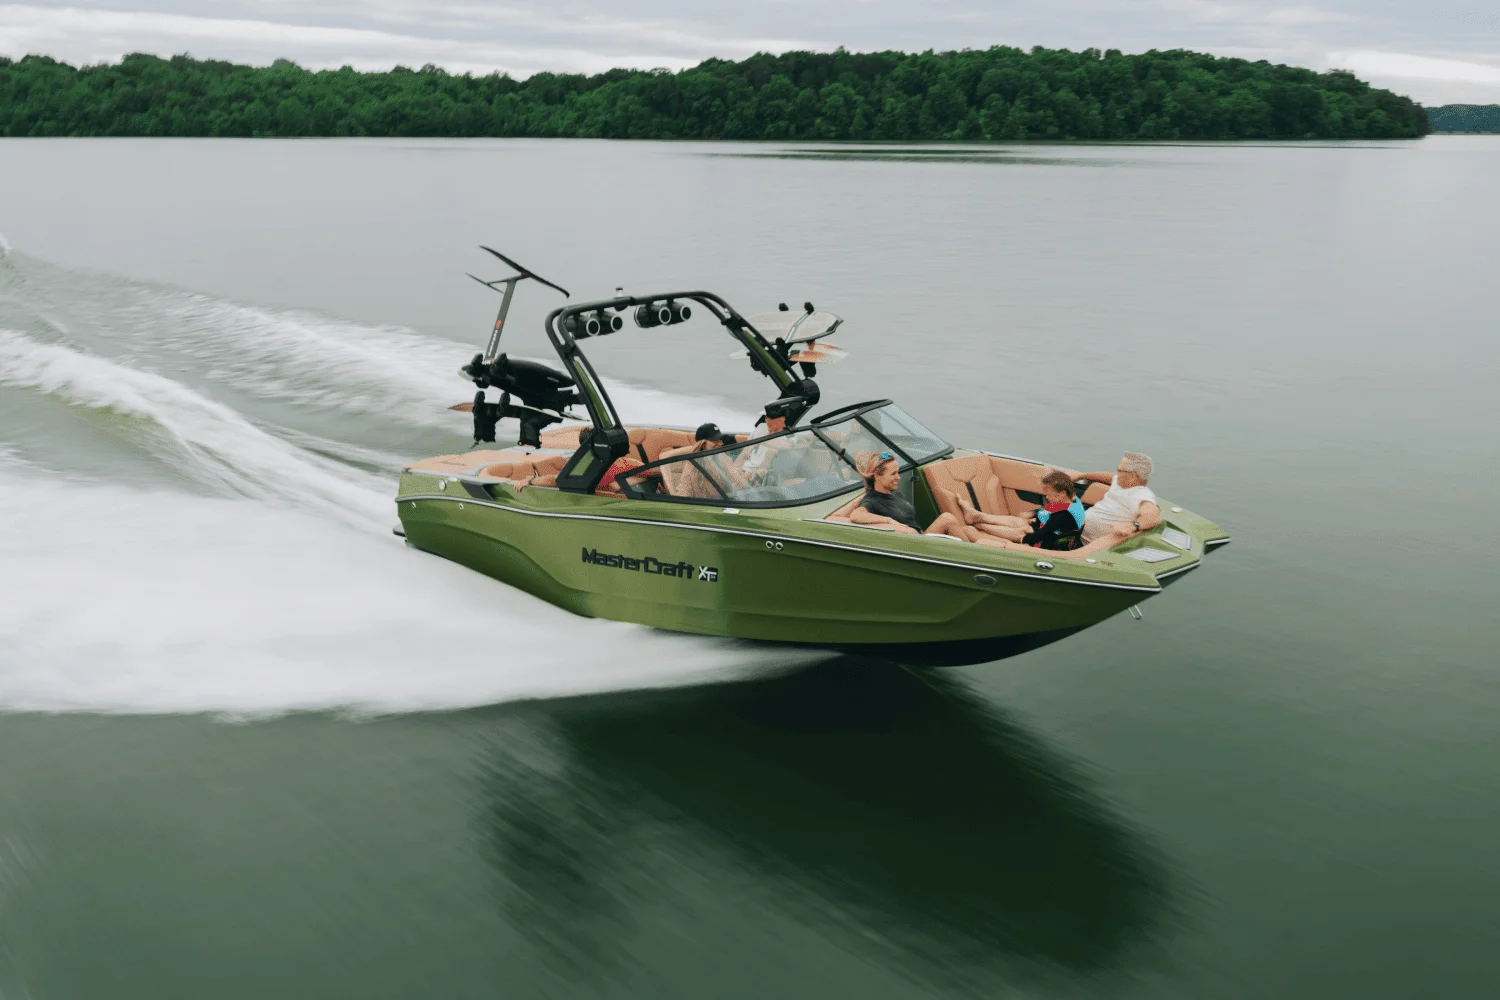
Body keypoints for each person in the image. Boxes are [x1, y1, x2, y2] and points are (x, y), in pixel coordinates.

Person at [849, 452, 989, 543]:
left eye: (898, 472)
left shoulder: (896, 495)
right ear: (877, 476)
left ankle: (972, 549)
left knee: (952, 520)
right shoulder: (872, 500)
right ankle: (972, 554)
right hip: (914, 545)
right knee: (948, 519)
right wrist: (889, 521)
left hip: (921, 538)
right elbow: (857, 515)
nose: (898, 477)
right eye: (893, 474)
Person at [1077, 451, 1160, 544]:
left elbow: (1153, 516)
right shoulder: (1120, 481)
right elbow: (1110, 477)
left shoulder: (1140, 495)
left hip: (1089, 542)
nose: (1116, 473)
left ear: (1132, 476)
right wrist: (1082, 475)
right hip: (1079, 529)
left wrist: (1132, 526)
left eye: (1119, 470)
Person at [1022, 470, 1088, 550]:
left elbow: (1041, 535)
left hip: (1046, 544)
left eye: (1048, 494)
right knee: (1018, 525)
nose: (1046, 497)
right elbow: (1049, 512)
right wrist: (1034, 515)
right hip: (1043, 530)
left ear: (1062, 493)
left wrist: (1023, 539)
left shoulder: (1062, 515)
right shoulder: (1072, 502)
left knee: (1015, 530)